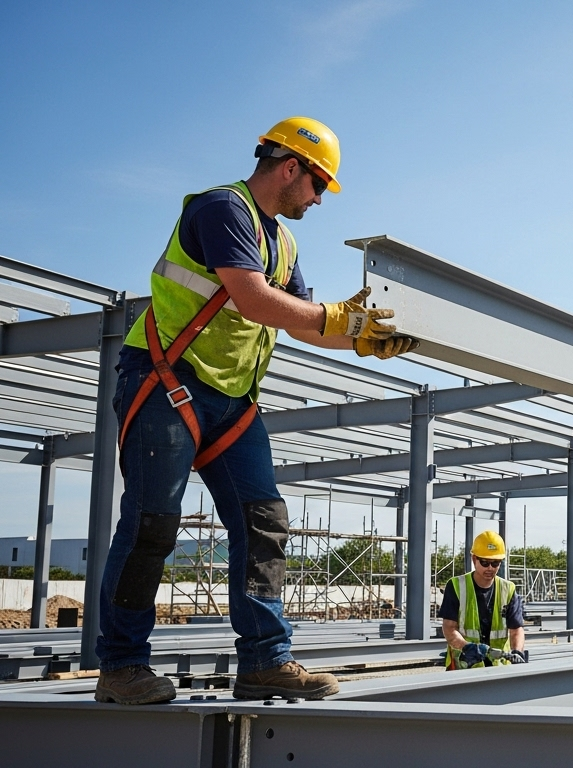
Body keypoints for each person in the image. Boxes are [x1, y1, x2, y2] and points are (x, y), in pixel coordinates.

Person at [94, 117, 420, 705]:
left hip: (232, 403)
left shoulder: (284, 242)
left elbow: (303, 319)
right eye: (319, 184)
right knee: (151, 527)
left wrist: (362, 339)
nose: (320, 199)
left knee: (263, 522)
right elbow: (251, 296)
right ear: (290, 166)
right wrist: (334, 321)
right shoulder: (224, 210)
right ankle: (120, 667)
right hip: (168, 379)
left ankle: (264, 661)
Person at [440, 531, 527, 669]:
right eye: (485, 562)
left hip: (499, 667)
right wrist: (466, 647)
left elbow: (516, 629)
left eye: (495, 563)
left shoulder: (508, 589)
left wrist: (517, 652)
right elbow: (449, 628)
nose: (490, 568)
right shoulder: (457, 586)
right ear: (474, 559)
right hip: (465, 667)